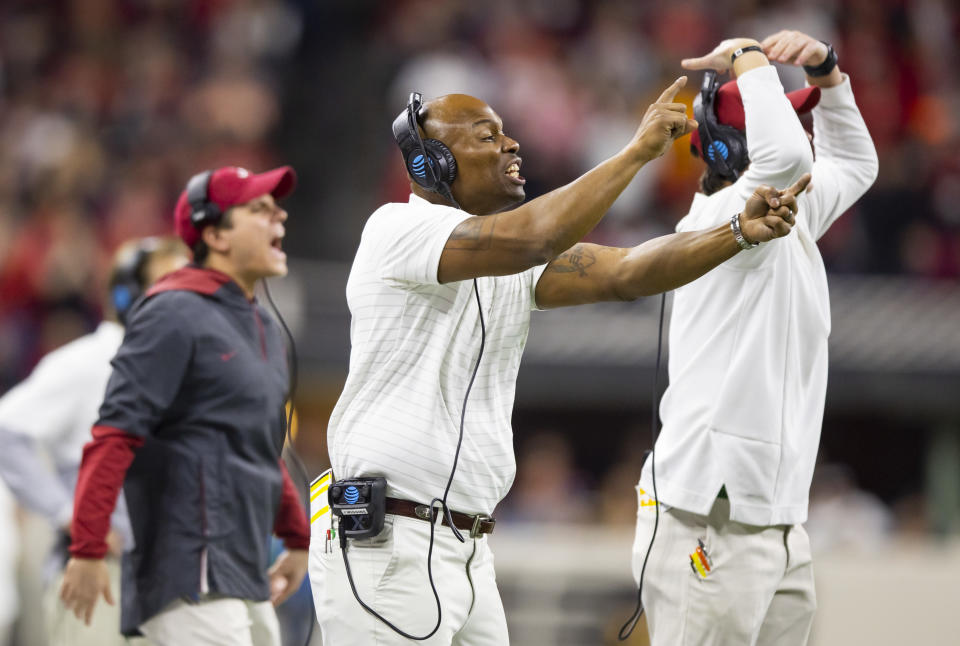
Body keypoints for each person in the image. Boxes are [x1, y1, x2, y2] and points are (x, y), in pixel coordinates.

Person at [309, 75, 810, 645]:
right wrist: (637, 153)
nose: (511, 145)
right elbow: (538, 237)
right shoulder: (394, 229)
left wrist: (737, 233)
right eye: (486, 136)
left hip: (466, 547)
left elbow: (627, 272)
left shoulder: (512, 254)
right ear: (434, 166)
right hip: (390, 540)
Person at [630, 31, 878, 645]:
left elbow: (855, 164)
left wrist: (827, 74)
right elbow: (791, 159)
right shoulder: (721, 221)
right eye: (781, 126)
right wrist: (747, 54)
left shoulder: (786, 216)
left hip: (777, 519)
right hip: (707, 516)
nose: (804, 145)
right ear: (724, 144)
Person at [59, 166, 311, 646]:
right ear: (214, 233)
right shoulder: (172, 311)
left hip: (243, 569)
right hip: (190, 568)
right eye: (258, 209)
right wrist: (87, 549)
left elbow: (258, 447)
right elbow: (114, 434)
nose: (278, 214)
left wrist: (296, 537)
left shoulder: (262, 324)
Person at [0, 235, 188, 646]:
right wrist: (68, 513)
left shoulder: (176, 366)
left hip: (167, 576)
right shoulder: (88, 362)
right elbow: (6, 430)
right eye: (170, 282)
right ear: (127, 296)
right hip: (100, 573)